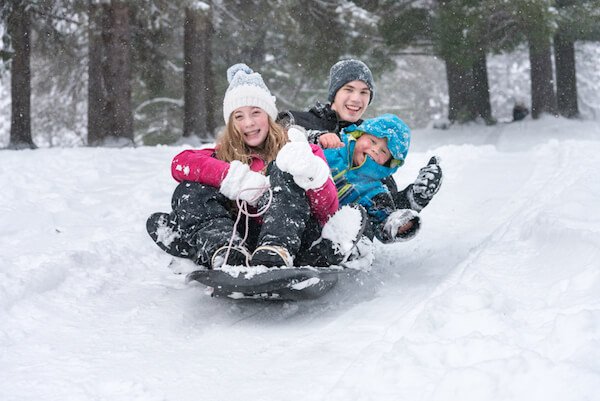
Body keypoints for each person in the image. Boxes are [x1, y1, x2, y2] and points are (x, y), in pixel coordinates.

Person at [146, 63, 339, 269]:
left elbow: (328, 212)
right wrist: (234, 178)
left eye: (255, 112)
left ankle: (276, 250)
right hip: (241, 237)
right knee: (190, 189)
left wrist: (312, 174)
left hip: (293, 235)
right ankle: (223, 249)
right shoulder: (225, 153)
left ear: (269, 115)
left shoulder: (299, 149)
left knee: (283, 171)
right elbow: (181, 163)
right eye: (239, 116)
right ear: (231, 123)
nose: (248, 123)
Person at [278, 58, 442, 216]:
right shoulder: (300, 120)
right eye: (348, 89)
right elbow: (274, 141)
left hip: (341, 234)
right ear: (334, 93)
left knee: (361, 214)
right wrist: (313, 138)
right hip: (295, 215)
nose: (356, 99)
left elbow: (382, 204)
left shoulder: (371, 139)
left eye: (364, 92)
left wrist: (415, 197)